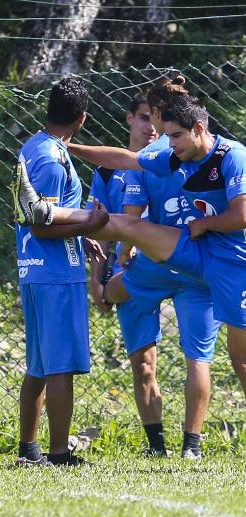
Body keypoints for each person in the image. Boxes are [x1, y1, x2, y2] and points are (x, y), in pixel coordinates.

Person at [13, 95, 246, 430]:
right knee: (127, 225)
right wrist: (68, 147)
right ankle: (44, 210)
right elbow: (126, 160)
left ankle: (110, 290)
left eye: (176, 136)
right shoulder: (175, 156)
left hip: (232, 264)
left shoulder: (232, 156)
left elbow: (242, 215)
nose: (169, 143)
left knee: (240, 360)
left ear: (198, 129)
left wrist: (206, 224)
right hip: (192, 249)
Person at [95, 83, 220, 459]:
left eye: (159, 117)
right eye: (147, 117)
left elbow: (127, 224)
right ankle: (165, 446)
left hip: (176, 263)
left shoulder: (163, 158)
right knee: (157, 360)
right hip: (172, 264)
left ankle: (187, 446)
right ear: (133, 118)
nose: (154, 126)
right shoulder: (150, 159)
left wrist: (120, 260)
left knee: (192, 357)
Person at [14, 77, 106, 467]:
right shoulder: (52, 159)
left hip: (37, 268)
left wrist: (79, 237)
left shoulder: (33, 146)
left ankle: (28, 448)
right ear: (82, 119)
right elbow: (40, 224)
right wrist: (87, 227)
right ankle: (57, 452)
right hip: (55, 272)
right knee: (60, 365)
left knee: (38, 363)